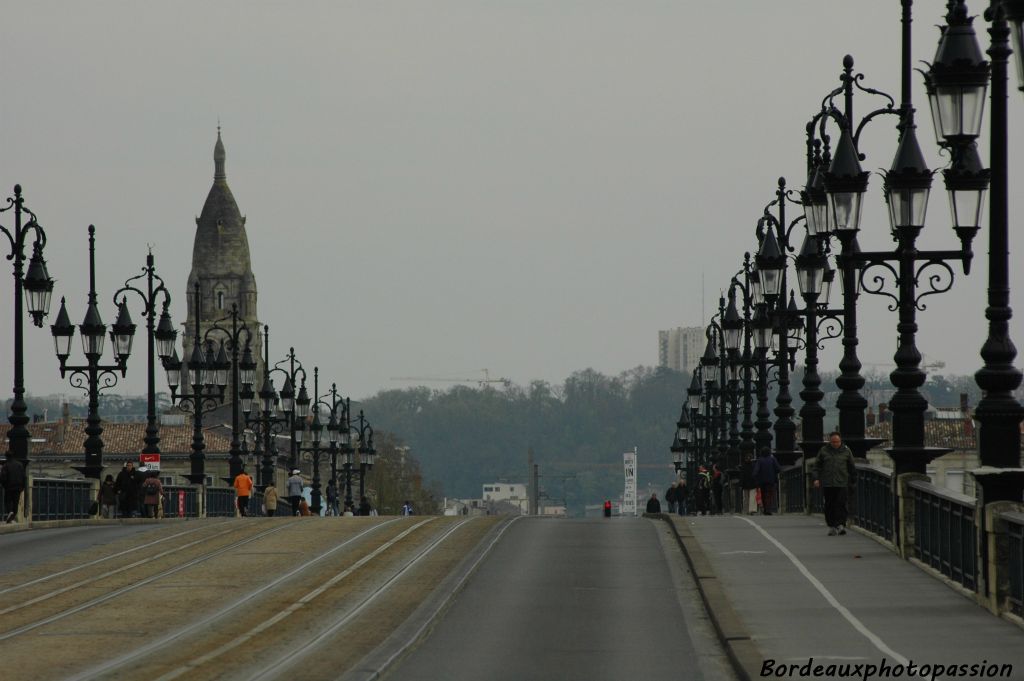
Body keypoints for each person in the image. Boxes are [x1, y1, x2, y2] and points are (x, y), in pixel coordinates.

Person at [813, 431, 857, 536]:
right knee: (829, 505)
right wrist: (816, 479)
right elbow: (816, 466)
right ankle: (832, 526)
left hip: (842, 482)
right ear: (830, 441)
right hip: (828, 483)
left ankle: (841, 525)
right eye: (833, 442)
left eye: (837, 442)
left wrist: (853, 480)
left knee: (841, 504)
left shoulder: (846, 451)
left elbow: (851, 466)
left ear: (840, 441)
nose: (835, 444)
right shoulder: (823, 451)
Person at [753, 449, 781, 515]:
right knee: (769, 495)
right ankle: (768, 509)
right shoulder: (772, 459)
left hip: (762, 481)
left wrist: (756, 478)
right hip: (771, 480)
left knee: (763, 495)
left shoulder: (760, 460)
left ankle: (765, 509)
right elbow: (778, 468)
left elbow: (755, 471)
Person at [1, 456, 26, 523]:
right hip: (18, 488)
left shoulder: (6, 465)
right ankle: (12, 516)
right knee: (15, 502)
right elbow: (24, 477)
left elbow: (3, 477)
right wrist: (23, 487)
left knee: (8, 501)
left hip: (9, 488)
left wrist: (4, 485)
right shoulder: (20, 465)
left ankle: (10, 512)